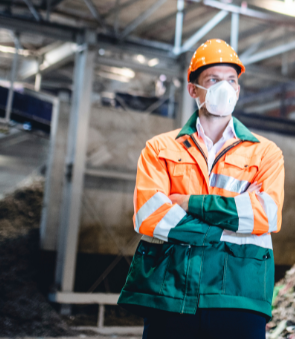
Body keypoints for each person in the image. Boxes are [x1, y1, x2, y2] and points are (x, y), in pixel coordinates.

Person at [118, 39, 285, 339]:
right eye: (214, 80)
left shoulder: (265, 153)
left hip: (238, 294)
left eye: (232, 80)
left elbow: (266, 216)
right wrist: (226, 232)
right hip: (170, 291)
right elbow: (149, 214)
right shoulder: (159, 149)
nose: (225, 87)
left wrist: (189, 203)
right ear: (193, 89)